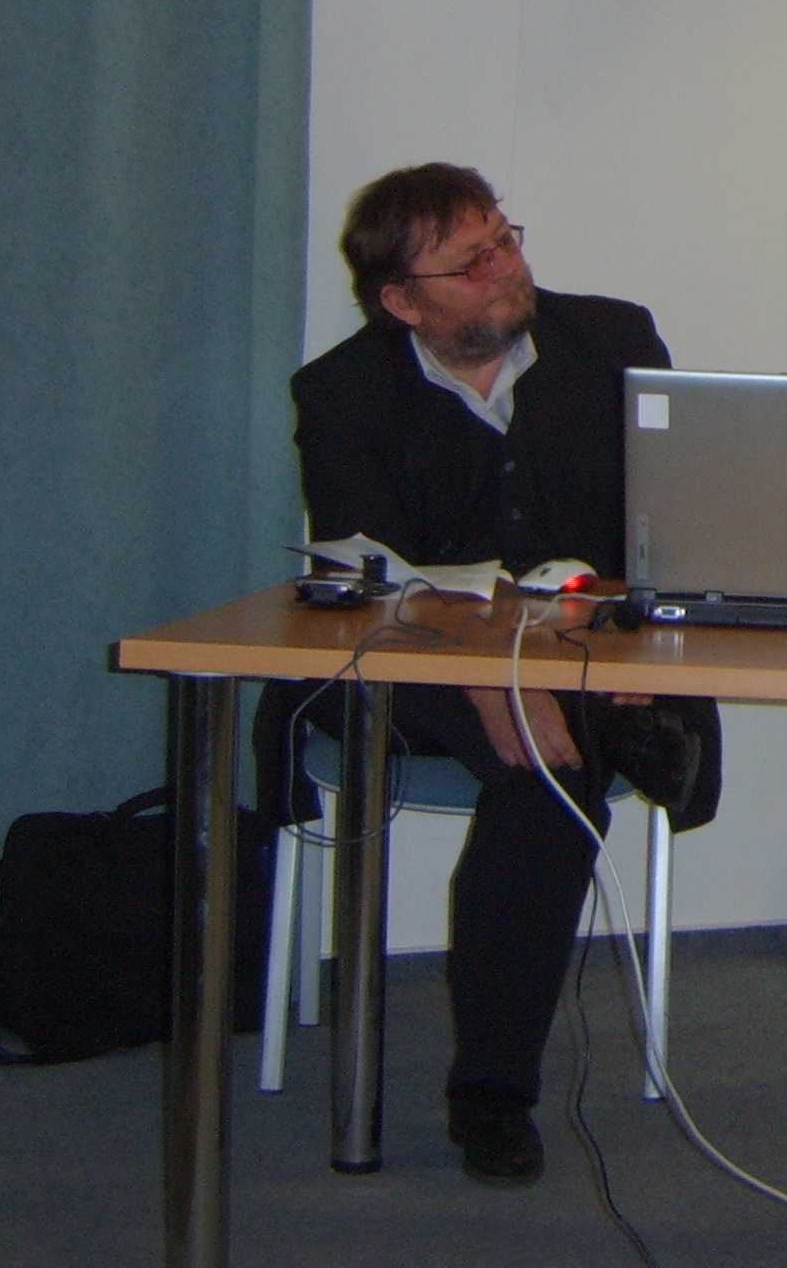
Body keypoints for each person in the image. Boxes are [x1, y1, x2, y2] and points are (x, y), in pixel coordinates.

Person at [290, 164, 722, 1186]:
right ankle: (492, 1095)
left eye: (504, 241)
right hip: (413, 660)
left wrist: (623, 650)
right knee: (551, 762)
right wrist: (490, 676)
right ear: (403, 302)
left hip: (584, 647)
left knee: (551, 764)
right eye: (471, 262)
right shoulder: (342, 390)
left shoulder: (612, 341)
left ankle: (489, 1090)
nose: (506, 268)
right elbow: (363, 576)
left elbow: (672, 525)